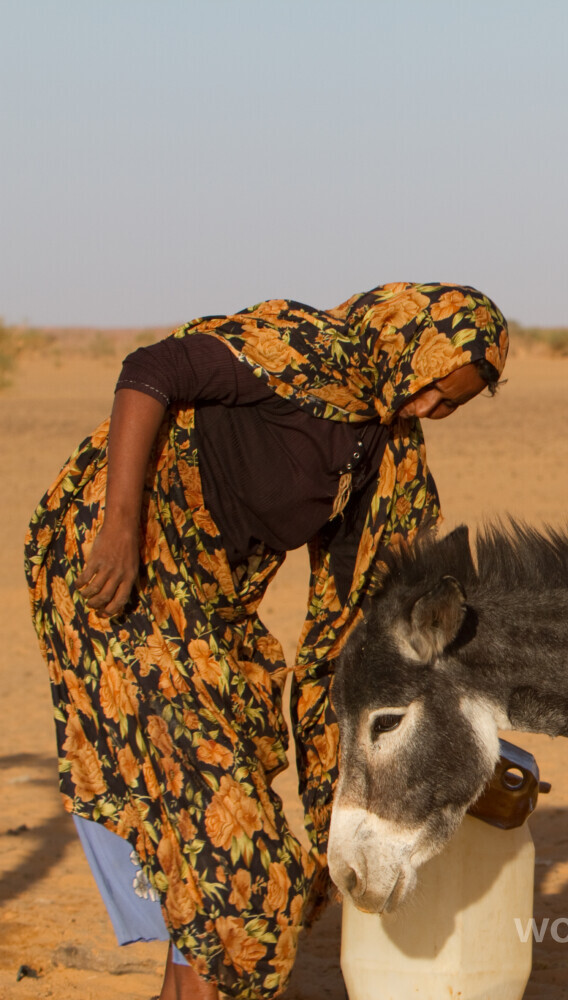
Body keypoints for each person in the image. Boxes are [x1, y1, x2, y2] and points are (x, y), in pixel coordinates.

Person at [24, 282, 508, 1000]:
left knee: (258, 831)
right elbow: (149, 371)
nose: (431, 411)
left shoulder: (381, 451)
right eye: (435, 391)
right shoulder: (295, 348)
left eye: (450, 407)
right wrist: (121, 524)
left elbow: (354, 627)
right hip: (120, 575)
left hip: (210, 608)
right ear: (412, 348)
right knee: (239, 852)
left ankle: (187, 989)